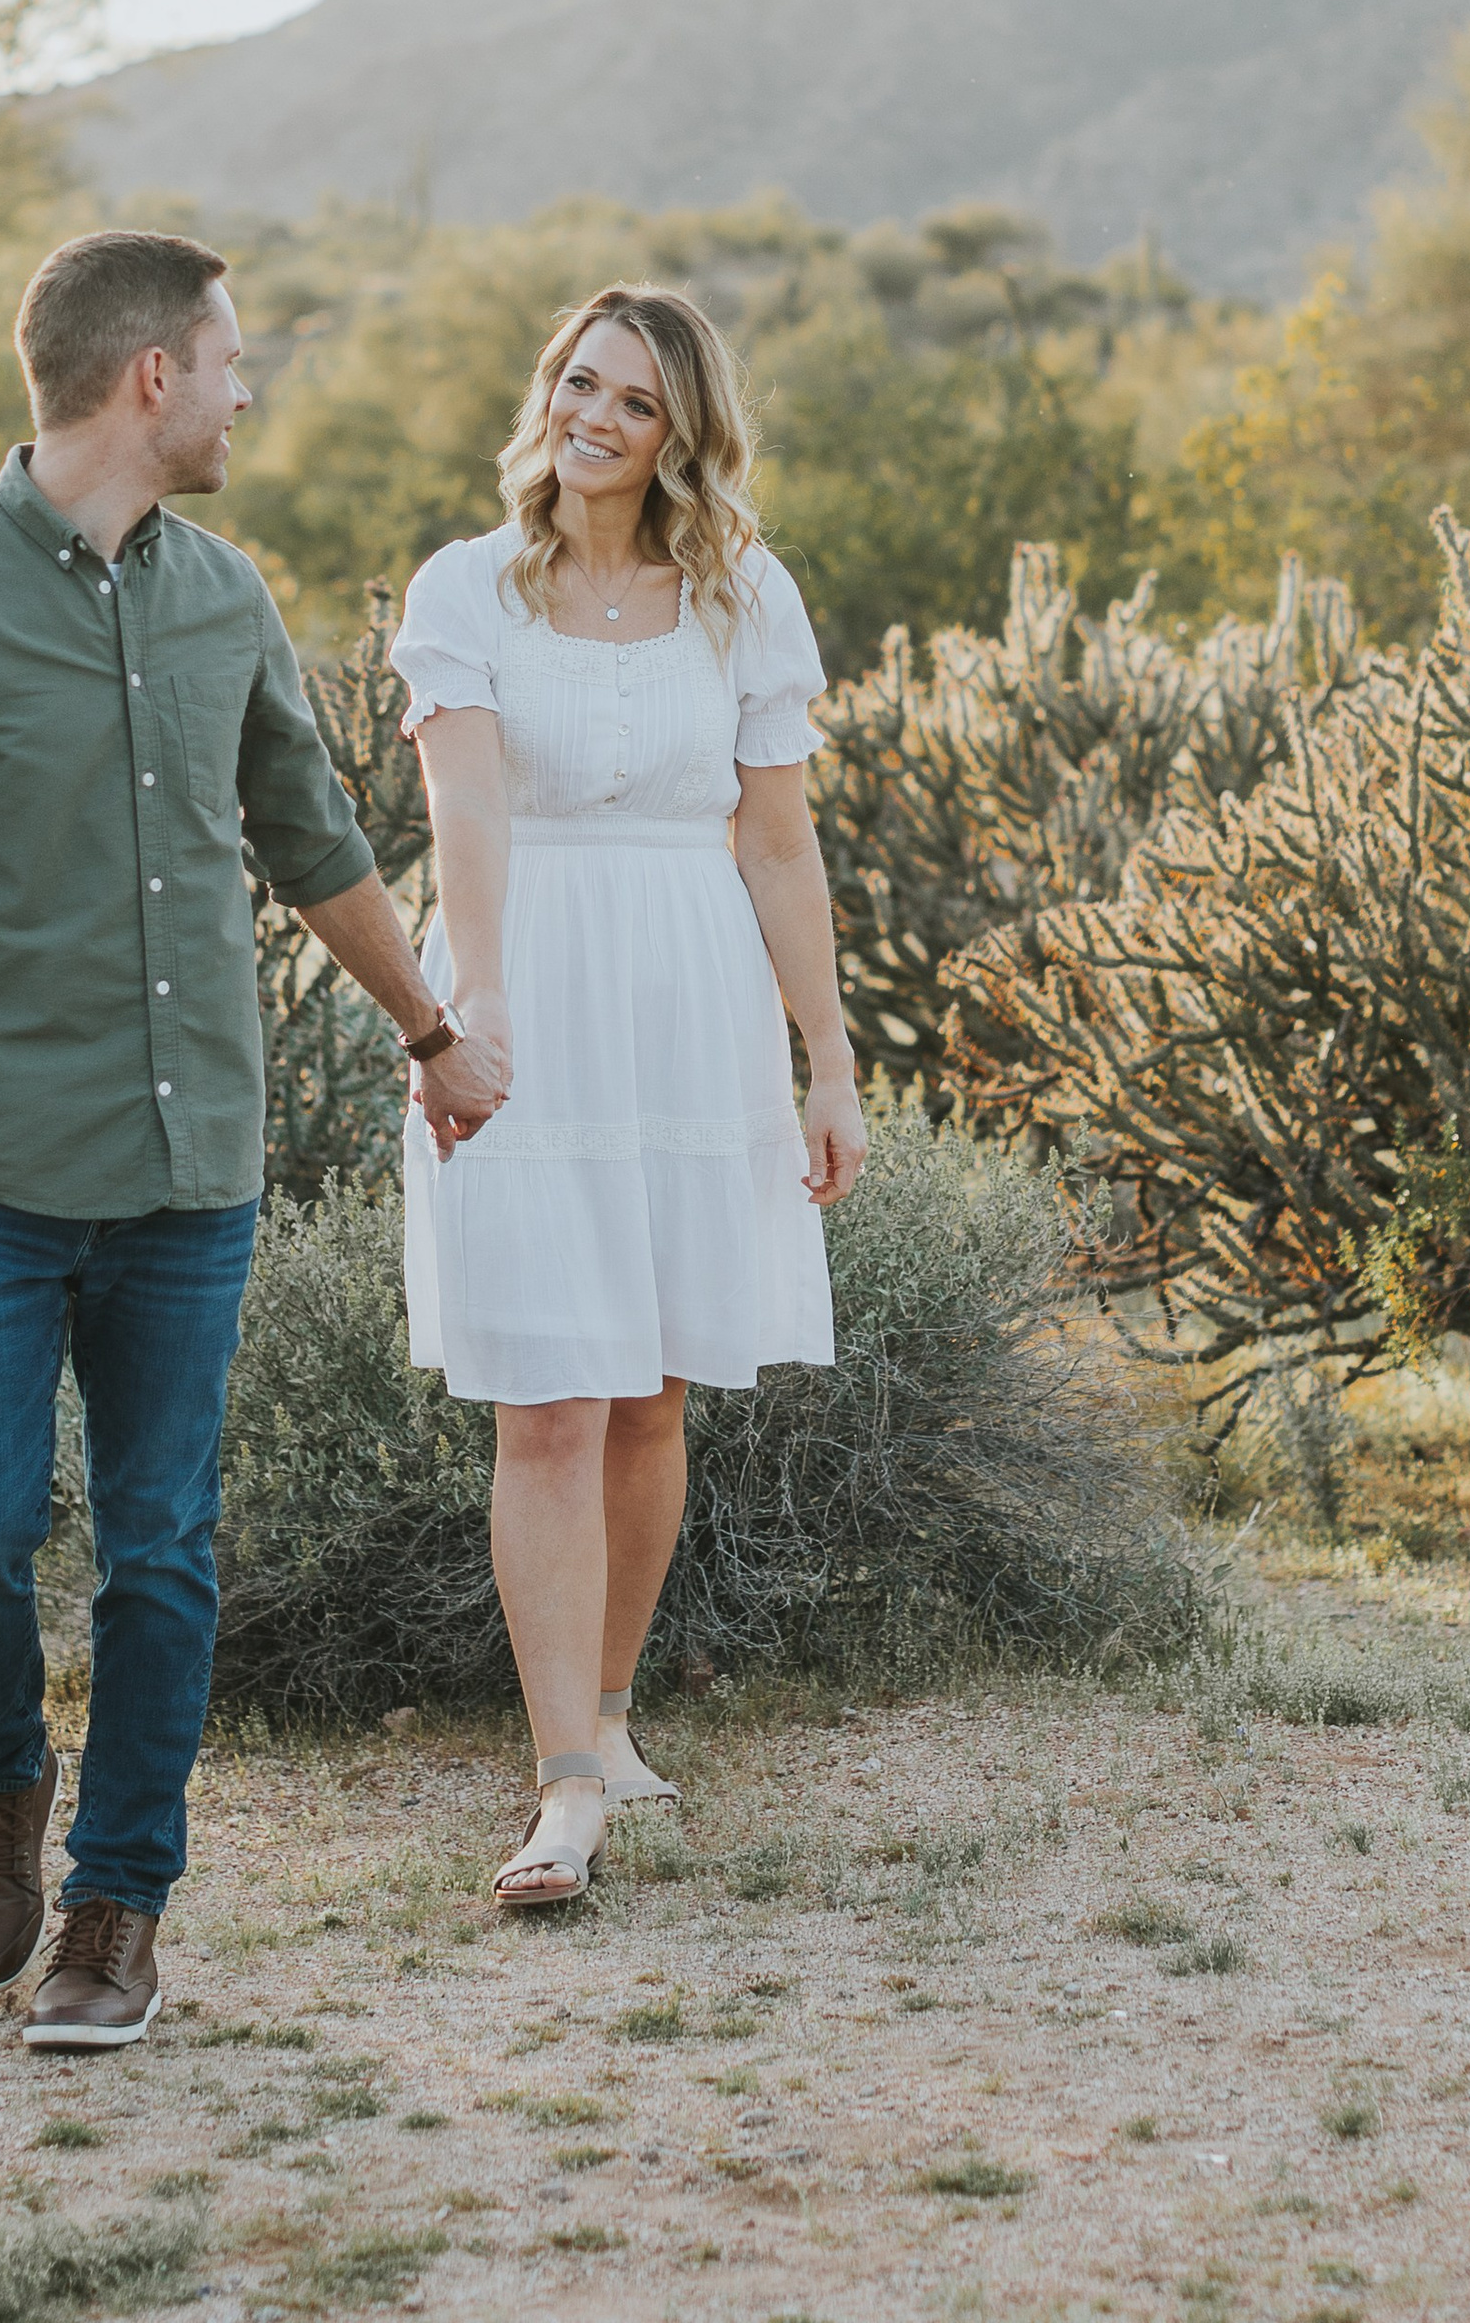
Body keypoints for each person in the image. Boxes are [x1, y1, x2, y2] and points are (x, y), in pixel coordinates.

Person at [0, 229, 495, 2048]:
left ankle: (114, 1908)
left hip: (193, 1181)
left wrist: (429, 1031)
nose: (248, 391)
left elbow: (314, 842)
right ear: (149, 378)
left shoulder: (223, 599)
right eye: (230, 361)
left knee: (165, 1549)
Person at [390, 281, 867, 1908]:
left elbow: (780, 840)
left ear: (683, 435)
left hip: (693, 999)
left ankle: (610, 1709)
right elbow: (464, 807)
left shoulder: (744, 599)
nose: (595, 417)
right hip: (531, 993)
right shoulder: (466, 592)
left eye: (636, 401)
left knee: (654, 1390)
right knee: (548, 1400)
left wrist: (831, 1054)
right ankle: (565, 1793)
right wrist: (482, 999)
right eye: (578, 382)